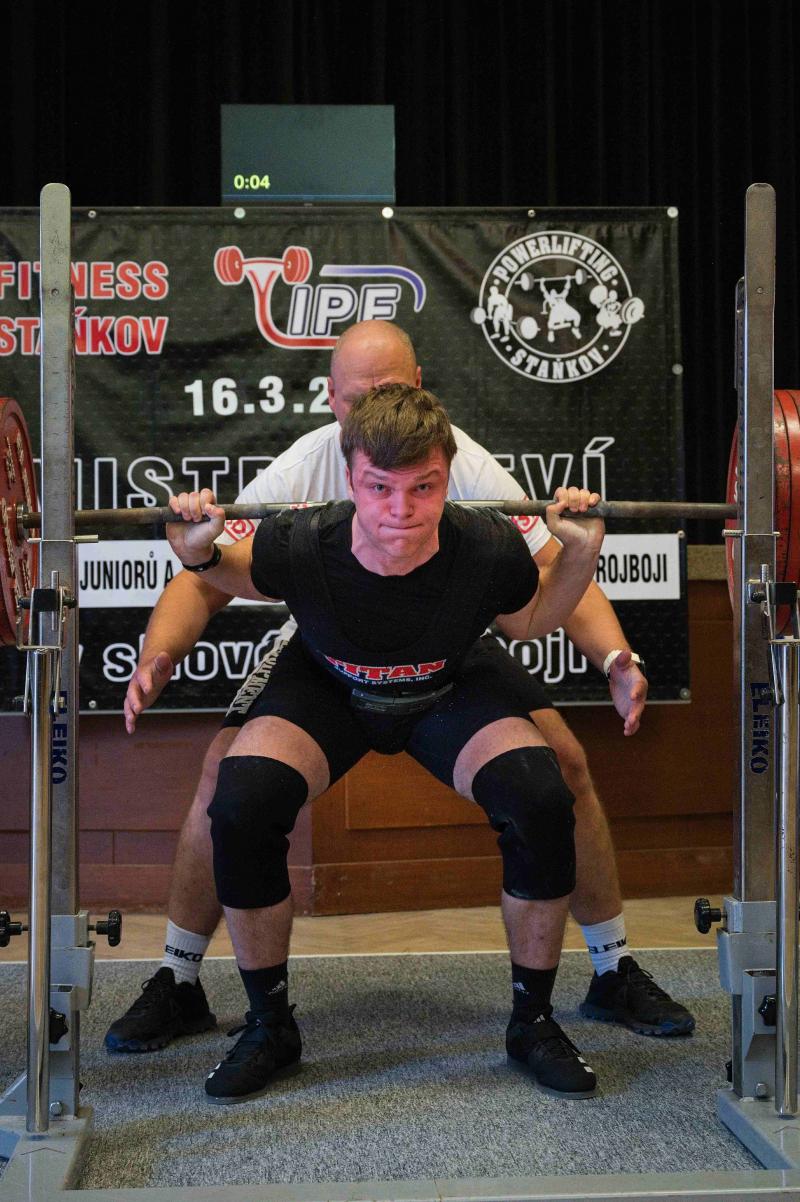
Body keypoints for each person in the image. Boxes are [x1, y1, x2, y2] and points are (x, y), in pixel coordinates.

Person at [104, 320, 693, 1061]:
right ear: (333, 404)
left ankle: (611, 966)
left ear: (419, 391)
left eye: (391, 394)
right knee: (231, 778)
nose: (379, 422)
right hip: (328, 648)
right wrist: (158, 654)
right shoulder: (304, 471)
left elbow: (553, 578)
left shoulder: (455, 460)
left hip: (450, 646)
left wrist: (614, 657)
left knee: (560, 769)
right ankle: (179, 977)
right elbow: (208, 571)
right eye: (359, 402)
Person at [162, 383, 606, 1102]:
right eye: (380, 487)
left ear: (448, 476)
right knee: (242, 803)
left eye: (423, 487)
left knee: (541, 798)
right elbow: (231, 573)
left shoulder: (485, 544)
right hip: (328, 686)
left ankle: (532, 1023)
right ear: (350, 479)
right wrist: (196, 552)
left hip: (448, 684)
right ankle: (270, 1025)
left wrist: (579, 555)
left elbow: (529, 623)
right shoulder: (302, 540)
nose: (401, 509)